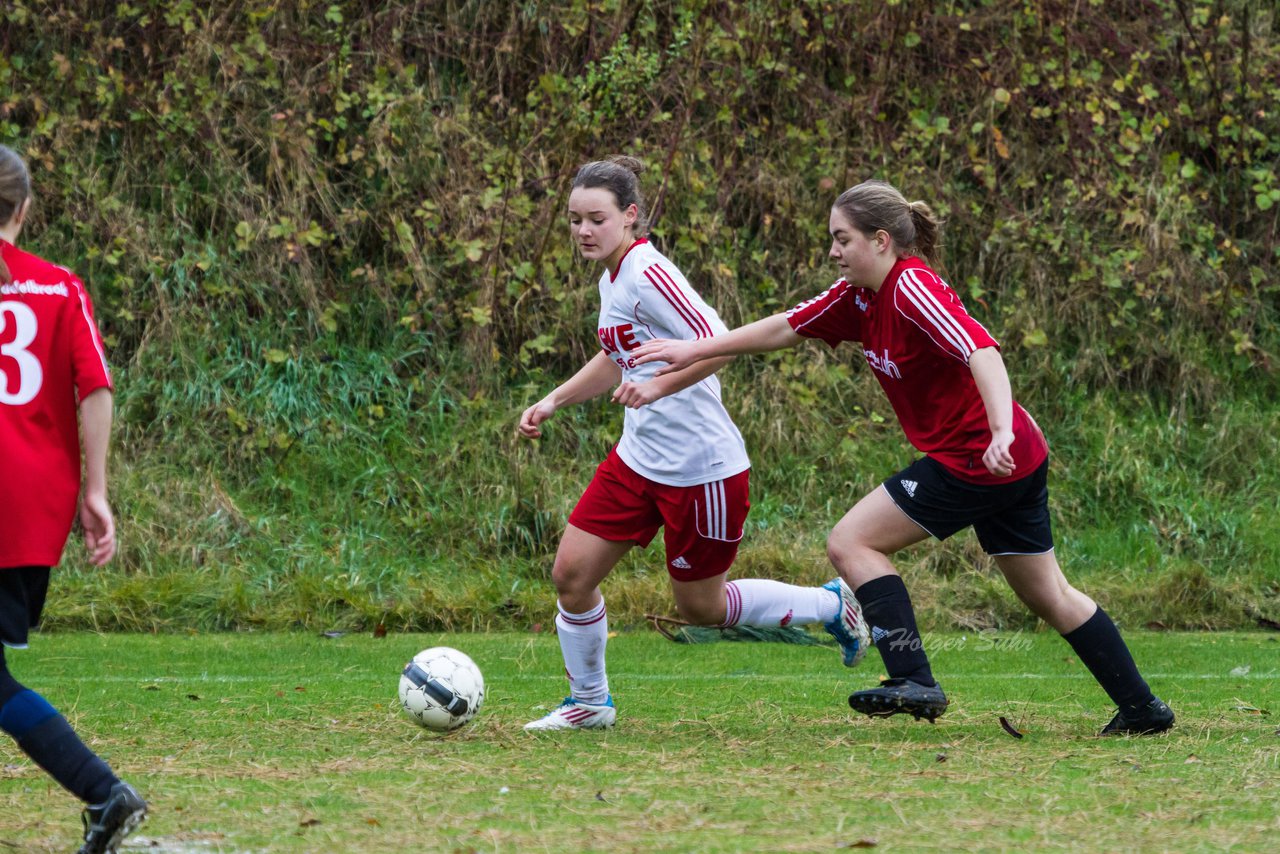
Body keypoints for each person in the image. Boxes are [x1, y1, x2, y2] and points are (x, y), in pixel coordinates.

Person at [633, 180, 1174, 735]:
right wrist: (695, 348)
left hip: (980, 458)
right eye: (832, 239)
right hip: (1009, 459)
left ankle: (913, 677)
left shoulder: (912, 287)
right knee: (1050, 594)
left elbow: (982, 350)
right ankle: (1142, 709)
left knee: (851, 541)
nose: (833, 250)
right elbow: (784, 328)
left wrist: (998, 432)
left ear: (882, 240)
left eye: (842, 239)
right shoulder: (857, 297)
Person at [517, 156, 870, 731]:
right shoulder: (612, 277)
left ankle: (834, 606)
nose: (583, 231)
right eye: (574, 220)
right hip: (637, 460)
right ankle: (589, 704)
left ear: (630, 216)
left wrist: (656, 388)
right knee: (571, 576)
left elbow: (722, 345)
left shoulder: (649, 272)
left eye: (596, 219)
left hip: (701, 470)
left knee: (700, 609)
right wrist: (555, 399)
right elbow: (616, 355)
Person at [0, 145, 148, 851]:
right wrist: (96, 492)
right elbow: (95, 384)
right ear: (24, 210)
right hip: (31, 506)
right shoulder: (60, 288)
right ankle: (103, 794)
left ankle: (103, 791)